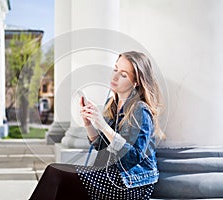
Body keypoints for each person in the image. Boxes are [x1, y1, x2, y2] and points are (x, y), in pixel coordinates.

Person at [29, 51, 164, 200]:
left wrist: (102, 125)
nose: (115, 77)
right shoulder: (112, 104)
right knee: (59, 181)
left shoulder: (140, 110)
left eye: (123, 75)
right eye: (115, 69)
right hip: (109, 173)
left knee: (55, 173)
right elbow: (101, 145)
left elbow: (132, 158)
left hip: (130, 183)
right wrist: (89, 124)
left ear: (136, 82)